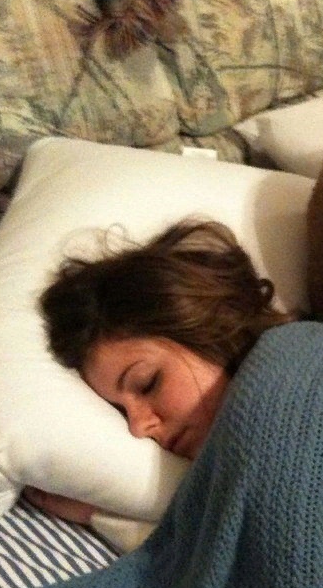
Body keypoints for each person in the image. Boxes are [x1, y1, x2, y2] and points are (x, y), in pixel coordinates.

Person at [23, 219, 292, 524]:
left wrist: (108, 519)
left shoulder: (304, 374)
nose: (138, 427)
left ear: (210, 330)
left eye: (148, 383)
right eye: (120, 411)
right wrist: (104, 514)